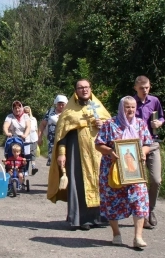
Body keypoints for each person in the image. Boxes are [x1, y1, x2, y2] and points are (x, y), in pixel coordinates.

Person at [47, 80, 111, 230]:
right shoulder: (69, 111)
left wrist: (103, 125)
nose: (84, 90)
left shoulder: (98, 107)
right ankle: (81, 219)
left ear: (90, 88)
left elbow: (110, 125)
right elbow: (62, 135)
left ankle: (99, 217)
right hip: (76, 152)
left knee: (99, 182)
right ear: (76, 90)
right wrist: (61, 154)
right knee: (79, 184)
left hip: (97, 153)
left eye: (86, 87)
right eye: (80, 88)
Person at [95, 96, 152, 248]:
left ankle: (138, 237)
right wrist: (110, 151)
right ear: (121, 108)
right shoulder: (110, 124)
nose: (131, 110)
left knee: (139, 200)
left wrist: (143, 152)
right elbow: (98, 144)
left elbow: (147, 143)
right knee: (112, 201)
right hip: (112, 170)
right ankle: (116, 233)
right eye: (127, 107)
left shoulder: (140, 124)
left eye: (133, 107)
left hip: (135, 171)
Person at [133, 75, 165, 228]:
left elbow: (162, 117)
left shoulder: (154, 101)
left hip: (152, 143)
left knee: (156, 180)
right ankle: (141, 214)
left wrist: (159, 122)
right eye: (141, 88)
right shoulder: (130, 103)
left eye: (146, 87)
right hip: (135, 146)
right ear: (135, 88)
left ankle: (150, 209)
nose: (144, 91)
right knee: (139, 182)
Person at [38, 95, 68, 166]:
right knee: (53, 161)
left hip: (65, 139)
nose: (61, 106)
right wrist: (39, 137)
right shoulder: (50, 112)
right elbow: (42, 124)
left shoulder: (69, 112)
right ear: (56, 104)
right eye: (59, 104)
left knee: (65, 160)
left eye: (62, 104)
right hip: (52, 141)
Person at [2, 101, 31, 175]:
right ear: (13, 109)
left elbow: (28, 126)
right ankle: (9, 169)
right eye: (15, 108)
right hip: (12, 138)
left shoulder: (25, 116)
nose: (17, 110)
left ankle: (24, 171)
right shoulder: (10, 116)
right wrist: (7, 133)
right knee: (11, 154)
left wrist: (25, 134)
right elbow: (5, 126)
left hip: (24, 139)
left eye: (19, 108)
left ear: (21, 108)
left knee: (25, 156)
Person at [23, 106, 38, 175]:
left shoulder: (34, 119)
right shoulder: (22, 120)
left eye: (28, 112)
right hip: (26, 140)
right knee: (26, 155)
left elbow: (36, 129)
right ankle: (25, 170)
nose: (27, 113)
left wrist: (38, 138)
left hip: (34, 139)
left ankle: (33, 167)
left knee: (33, 154)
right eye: (25, 112)